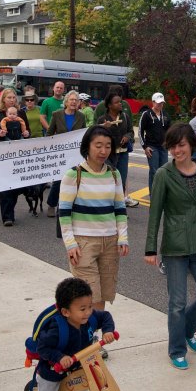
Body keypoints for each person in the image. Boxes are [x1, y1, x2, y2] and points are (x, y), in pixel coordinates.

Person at [145, 123, 196, 370]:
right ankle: (177, 349)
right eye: (172, 146)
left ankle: (188, 330)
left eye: (181, 145)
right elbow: (155, 212)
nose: (176, 151)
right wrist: (151, 248)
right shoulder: (163, 174)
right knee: (177, 303)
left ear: (192, 144)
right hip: (175, 247)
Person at [16, 277, 115, 391]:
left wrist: (108, 331)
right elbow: (43, 348)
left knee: (83, 387)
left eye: (90, 307)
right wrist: (59, 357)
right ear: (66, 312)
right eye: (82, 309)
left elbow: (105, 316)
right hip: (53, 370)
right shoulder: (56, 328)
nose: (88, 312)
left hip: (78, 364)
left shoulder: (90, 318)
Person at [58, 125, 128, 314]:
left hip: (110, 243)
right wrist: (70, 244)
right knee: (88, 297)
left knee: (102, 297)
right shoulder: (74, 175)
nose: (103, 151)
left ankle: (92, 338)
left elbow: (120, 209)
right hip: (83, 244)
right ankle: (87, 339)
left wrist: (123, 237)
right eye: (98, 145)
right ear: (87, 146)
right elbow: (64, 213)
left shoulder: (114, 174)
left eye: (107, 146)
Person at [0, 88, 29, 226]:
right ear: (3, 99)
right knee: (5, 186)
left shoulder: (21, 113)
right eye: (9, 97)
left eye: (13, 97)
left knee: (16, 186)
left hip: (18, 154)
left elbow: (27, 131)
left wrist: (27, 134)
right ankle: (7, 216)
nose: (11, 100)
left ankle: (10, 209)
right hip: (2, 154)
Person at [46, 92, 87, 217]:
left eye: (76, 100)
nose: (74, 102)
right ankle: (51, 205)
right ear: (66, 101)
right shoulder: (57, 115)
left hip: (75, 154)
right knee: (59, 180)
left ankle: (71, 206)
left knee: (75, 180)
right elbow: (49, 133)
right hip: (60, 154)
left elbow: (83, 134)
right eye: (71, 100)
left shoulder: (81, 116)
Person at [97, 91, 138, 208]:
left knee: (121, 180)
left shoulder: (124, 116)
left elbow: (130, 131)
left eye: (120, 101)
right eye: (117, 102)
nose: (121, 104)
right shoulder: (102, 119)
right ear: (110, 105)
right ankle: (107, 207)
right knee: (109, 180)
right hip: (109, 155)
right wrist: (104, 127)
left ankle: (119, 208)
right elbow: (96, 134)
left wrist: (127, 137)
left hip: (123, 154)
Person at [139, 92, 170, 191]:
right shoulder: (146, 114)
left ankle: (162, 193)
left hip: (163, 147)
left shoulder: (165, 115)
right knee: (154, 171)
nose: (160, 105)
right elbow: (140, 131)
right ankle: (153, 195)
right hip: (152, 147)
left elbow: (170, 130)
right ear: (153, 102)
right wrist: (145, 147)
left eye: (162, 103)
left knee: (164, 171)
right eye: (158, 103)